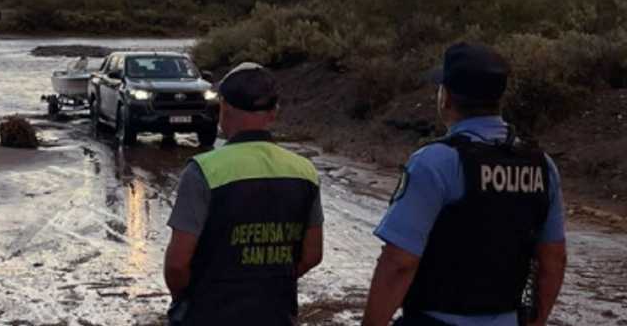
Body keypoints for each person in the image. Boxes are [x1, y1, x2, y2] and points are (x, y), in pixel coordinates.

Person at [362, 43, 567, 326]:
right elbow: (553, 259)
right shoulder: (542, 165)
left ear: (446, 98)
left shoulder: (435, 163)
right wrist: (537, 320)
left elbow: (399, 263)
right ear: (500, 98)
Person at [164, 62, 323, 326]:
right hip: (276, 312)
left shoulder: (203, 170)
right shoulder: (304, 171)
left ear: (223, 107)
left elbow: (177, 264)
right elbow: (312, 255)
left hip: (209, 313)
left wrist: (187, 298)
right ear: (273, 113)